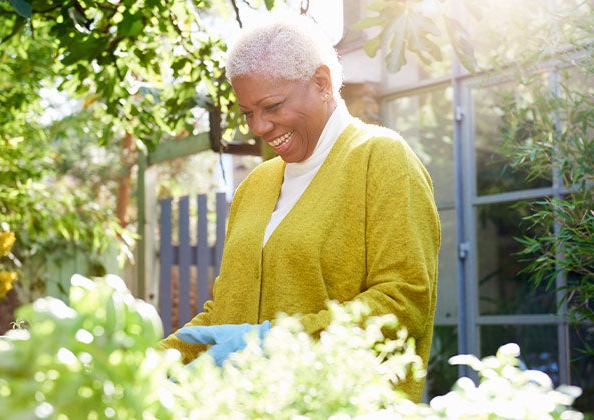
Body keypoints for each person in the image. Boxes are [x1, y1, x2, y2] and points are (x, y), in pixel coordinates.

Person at [158, 13, 440, 402]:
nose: (258, 126)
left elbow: (403, 304)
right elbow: (225, 316)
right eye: (247, 112)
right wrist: (155, 362)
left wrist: (273, 343)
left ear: (322, 83)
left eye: (271, 106)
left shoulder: (382, 160)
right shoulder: (255, 186)